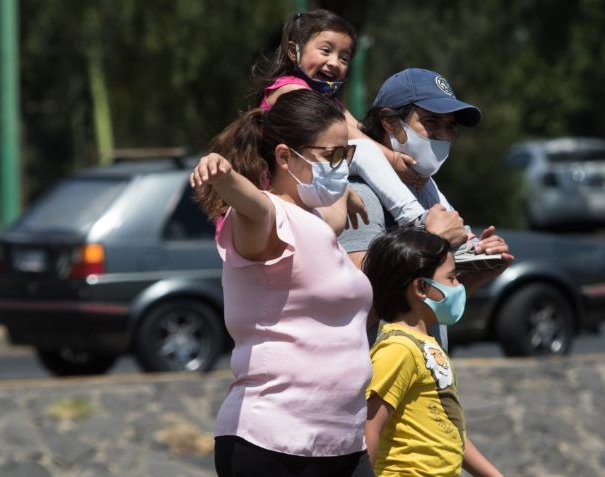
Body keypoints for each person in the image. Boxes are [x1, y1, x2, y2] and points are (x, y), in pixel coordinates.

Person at [192, 89, 373, 477]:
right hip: (273, 444)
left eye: (347, 155)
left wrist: (347, 193)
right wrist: (222, 173)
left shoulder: (318, 224)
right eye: (331, 155)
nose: (341, 166)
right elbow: (253, 205)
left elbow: (332, 216)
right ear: (285, 157)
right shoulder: (267, 219)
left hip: (344, 441)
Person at [337, 67, 514, 346]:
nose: (442, 136)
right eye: (431, 122)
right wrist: (434, 242)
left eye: (450, 127)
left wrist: (477, 270)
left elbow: (426, 299)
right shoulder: (359, 199)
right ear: (388, 122)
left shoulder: (427, 194)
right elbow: (359, 311)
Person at [248, 9, 428, 226]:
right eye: (325, 51)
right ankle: (414, 218)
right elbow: (350, 134)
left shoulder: (329, 98)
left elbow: (361, 129)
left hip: (319, 161)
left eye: (344, 58)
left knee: (412, 155)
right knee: (362, 150)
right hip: (296, 169)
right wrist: (392, 159)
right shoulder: (291, 88)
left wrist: (403, 155)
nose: (334, 62)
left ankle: (447, 219)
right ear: (293, 52)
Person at [361, 229, 505, 477]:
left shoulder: (425, 343)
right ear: (420, 287)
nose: (458, 286)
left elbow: (448, 428)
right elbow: (369, 428)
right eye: (451, 278)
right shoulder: (397, 349)